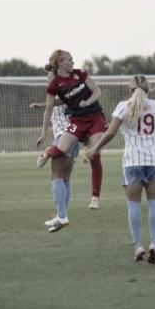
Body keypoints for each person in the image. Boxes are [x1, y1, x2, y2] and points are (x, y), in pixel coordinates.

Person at [87, 75, 155, 264]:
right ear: (149, 89)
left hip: (133, 160)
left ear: (130, 90)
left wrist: (95, 148)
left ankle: (138, 246)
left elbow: (110, 132)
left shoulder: (123, 106)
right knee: (153, 204)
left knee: (134, 205)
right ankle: (153, 243)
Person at [35, 49, 108, 217]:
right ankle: (48, 151)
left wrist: (87, 102)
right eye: (69, 59)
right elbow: (49, 108)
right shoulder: (55, 84)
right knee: (59, 151)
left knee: (94, 155)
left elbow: (97, 91)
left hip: (95, 117)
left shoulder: (79, 74)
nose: (73, 62)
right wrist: (43, 134)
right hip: (77, 121)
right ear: (60, 62)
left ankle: (95, 197)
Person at [30, 70, 80, 232]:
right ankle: (61, 214)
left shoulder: (61, 89)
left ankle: (62, 217)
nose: (48, 81)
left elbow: (55, 103)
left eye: (49, 77)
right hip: (74, 135)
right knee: (65, 178)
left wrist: (43, 133)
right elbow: (55, 105)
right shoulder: (72, 88)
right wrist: (43, 105)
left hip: (64, 135)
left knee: (56, 176)